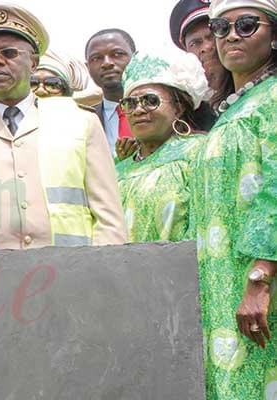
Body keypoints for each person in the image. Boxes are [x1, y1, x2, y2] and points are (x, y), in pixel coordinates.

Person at [0, 4, 126, 252]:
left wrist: (99, 278)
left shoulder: (81, 123)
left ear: (33, 62)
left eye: (9, 53)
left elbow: (109, 220)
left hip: (71, 281)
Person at [190, 0, 277, 397]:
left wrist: (260, 278)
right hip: (220, 285)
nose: (231, 36)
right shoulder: (229, 110)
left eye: (246, 24)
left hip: (259, 283)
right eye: (220, 28)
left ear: (273, 35)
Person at [114, 50, 209, 242]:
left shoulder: (199, 152)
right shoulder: (118, 170)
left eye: (150, 101)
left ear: (178, 107)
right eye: (130, 103)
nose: (138, 110)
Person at [170, 0, 227, 130]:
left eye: (211, 36)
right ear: (187, 52)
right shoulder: (185, 108)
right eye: (195, 43)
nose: (206, 47)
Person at [86, 28, 137, 156]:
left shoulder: (166, 111)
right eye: (96, 58)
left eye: (117, 54)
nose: (107, 63)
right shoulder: (82, 122)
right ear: (87, 68)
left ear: (136, 57)